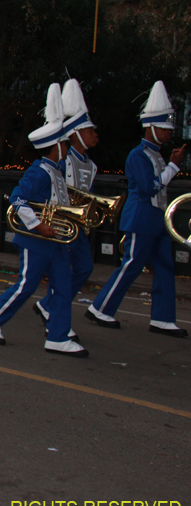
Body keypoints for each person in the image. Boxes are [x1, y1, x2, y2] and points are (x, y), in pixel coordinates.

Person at [0, 84, 88, 357]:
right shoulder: (38, 172)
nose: (67, 148)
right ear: (55, 148)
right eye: (64, 144)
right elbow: (18, 200)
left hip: (56, 240)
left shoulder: (56, 171)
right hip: (36, 241)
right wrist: (38, 225)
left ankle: (58, 337)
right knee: (26, 286)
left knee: (62, 287)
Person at [86, 81, 187, 336]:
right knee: (131, 266)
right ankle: (100, 308)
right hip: (141, 219)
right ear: (151, 127)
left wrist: (170, 165)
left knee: (165, 267)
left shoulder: (156, 154)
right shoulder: (137, 155)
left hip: (158, 220)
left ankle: (163, 318)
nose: (167, 133)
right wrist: (173, 167)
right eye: (164, 128)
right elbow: (150, 187)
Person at [34, 79, 98, 336]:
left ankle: (50, 307)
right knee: (58, 274)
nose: (96, 135)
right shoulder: (62, 159)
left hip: (77, 226)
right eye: (91, 130)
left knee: (84, 268)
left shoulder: (91, 165)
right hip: (60, 225)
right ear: (77, 133)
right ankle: (56, 320)